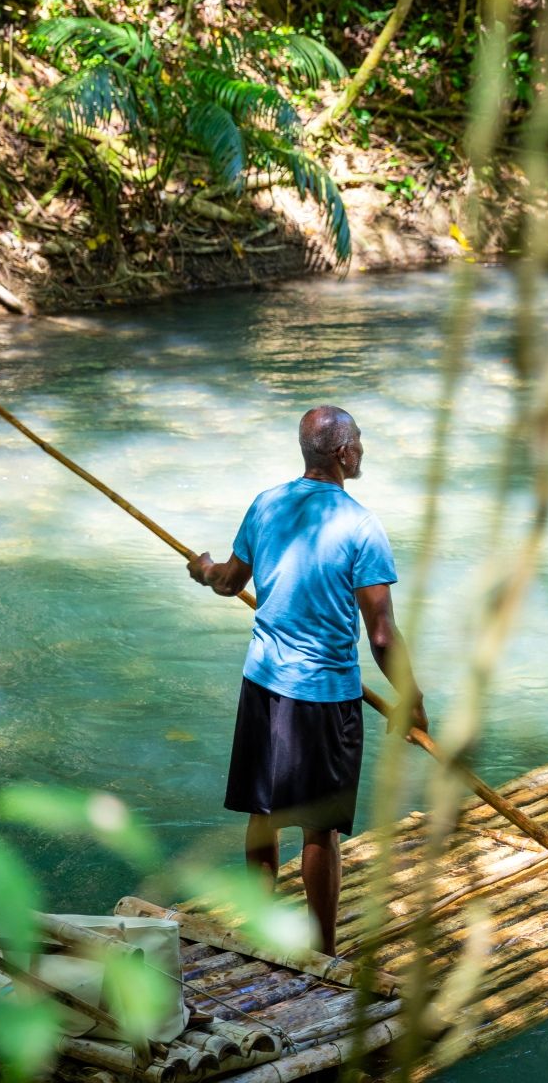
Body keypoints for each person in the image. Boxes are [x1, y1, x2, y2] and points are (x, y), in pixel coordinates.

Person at [188, 405, 427, 954]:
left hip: (263, 683)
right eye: (358, 441)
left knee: (263, 814)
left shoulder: (267, 504)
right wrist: (412, 698)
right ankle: (323, 951)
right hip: (324, 697)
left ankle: (257, 931)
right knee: (319, 828)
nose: (362, 449)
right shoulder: (361, 526)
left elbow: (229, 582)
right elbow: (382, 635)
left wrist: (203, 570)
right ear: (343, 452)